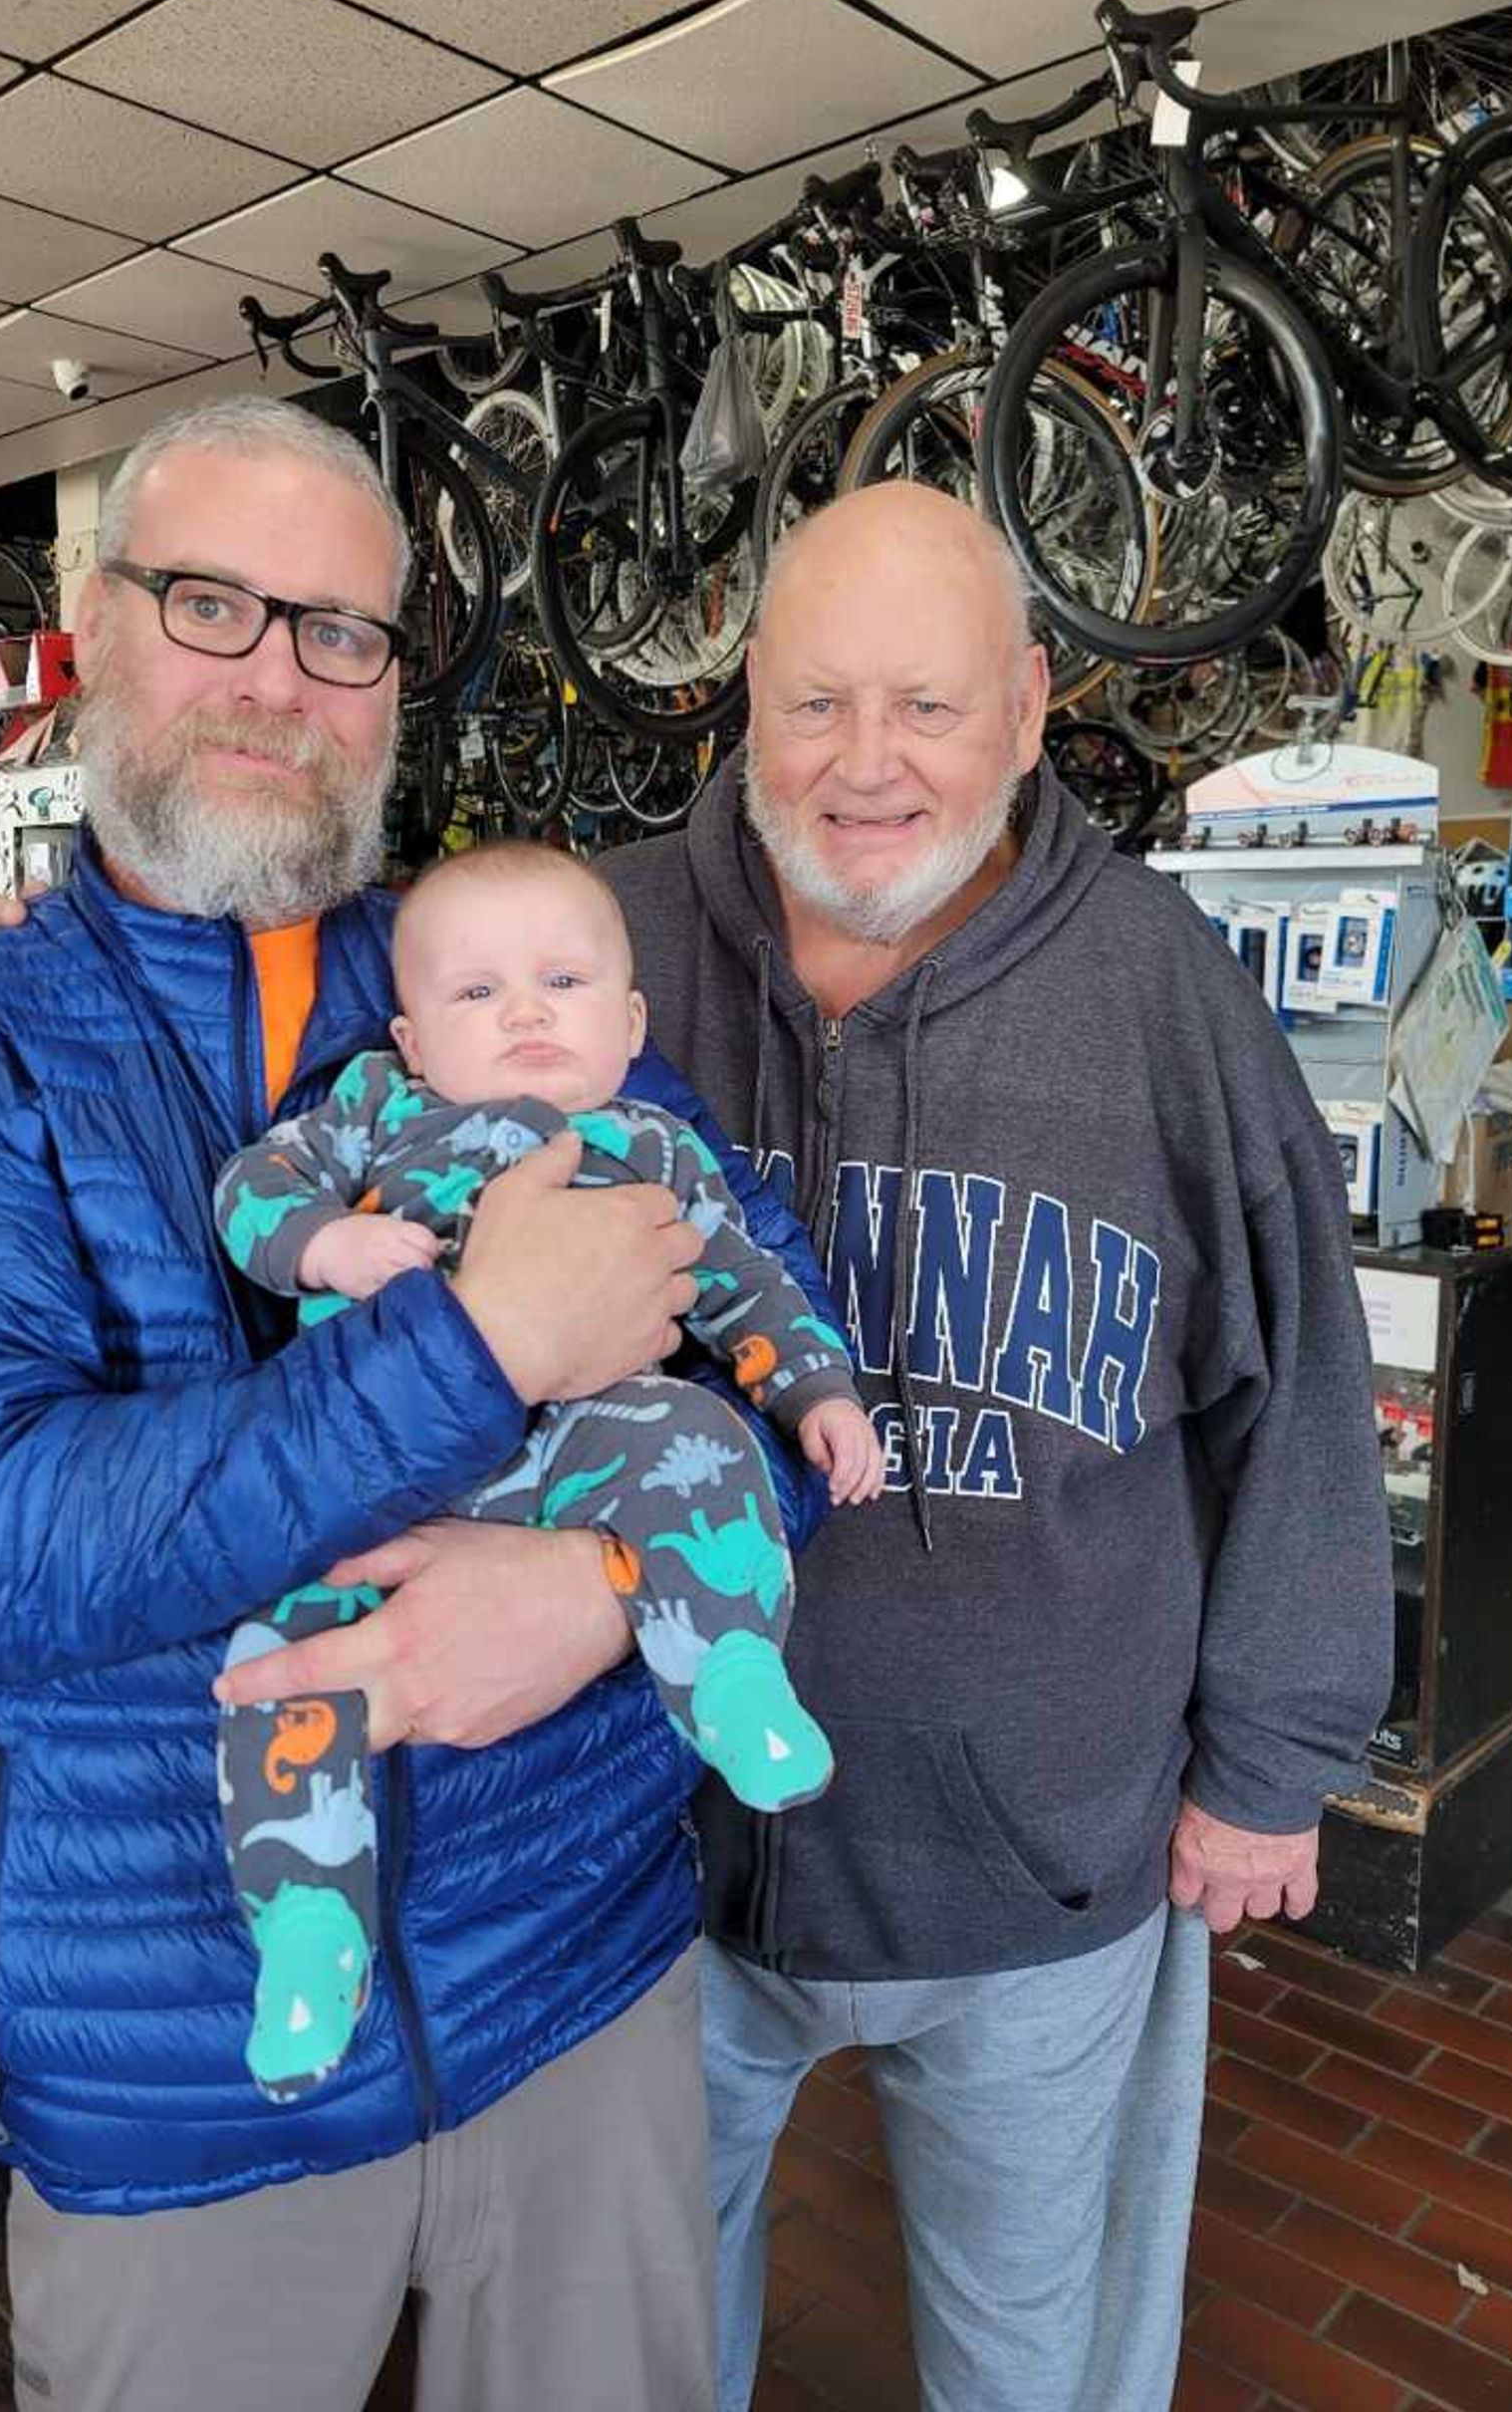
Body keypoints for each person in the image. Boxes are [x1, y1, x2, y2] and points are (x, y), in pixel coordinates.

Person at [0, 393, 837, 2412]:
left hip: (581, 1971)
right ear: (94, 632)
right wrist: (480, 1344)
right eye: (214, 606)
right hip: (178, 2054)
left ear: (392, 689)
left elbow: (781, 1353)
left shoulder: (497, 978)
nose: (279, 677)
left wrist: (618, 1580)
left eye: (342, 631)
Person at [591, 483, 1394, 2412]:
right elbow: (340, 1095)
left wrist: (1274, 1761)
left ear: (1032, 707)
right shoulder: (594, 948)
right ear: (743, 702)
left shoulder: (1161, 992)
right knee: (618, 2351)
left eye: (928, 707)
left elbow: (1300, 1374)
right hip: (635, 1847)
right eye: (814, 704)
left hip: (1044, 1863)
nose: (865, 767)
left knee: (1044, 2366)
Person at [209, 839, 880, 2101]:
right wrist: (327, 1247)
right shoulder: (371, 1111)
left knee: (706, 1447)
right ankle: (306, 1928)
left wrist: (819, 1387)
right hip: (377, 1473)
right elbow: (251, 1189)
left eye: (562, 982)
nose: (524, 1011)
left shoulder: (655, 1145)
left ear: (629, 1023)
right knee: (270, 1670)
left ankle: (727, 1670)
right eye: (476, 994)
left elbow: (747, 1285)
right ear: (411, 1041)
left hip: (585, 1451)